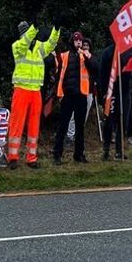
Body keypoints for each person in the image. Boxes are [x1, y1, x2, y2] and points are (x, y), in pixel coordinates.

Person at [8, 22, 60, 169]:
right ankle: (13, 157)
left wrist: (56, 30)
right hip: (21, 90)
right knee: (16, 124)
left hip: (36, 91)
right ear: (22, 35)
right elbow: (26, 41)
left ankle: (31, 158)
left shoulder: (38, 47)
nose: (28, 35)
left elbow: (51, 44)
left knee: (34, 125)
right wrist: (34, 28)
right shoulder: (18, 46)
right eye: (26, 33)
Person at [53, 31, 98, 164]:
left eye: (80, 41)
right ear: (72, 42)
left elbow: (95, 68)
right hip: (67, 95)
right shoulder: (65, 55)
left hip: (81, 95)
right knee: (63, 126)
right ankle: (57, 154)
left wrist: (87, 56)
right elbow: (58, 75)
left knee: (80, 127)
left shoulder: (85, 55)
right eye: (76, 40)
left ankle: (79, 154)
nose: (78, 42)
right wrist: (59, 94)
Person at [99, 41, 131, 161]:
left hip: (124, 91)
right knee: (109, 121)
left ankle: (119, 150)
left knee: (123, 121)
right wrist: (104, 93)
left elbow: (131, 70)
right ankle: (106, 150)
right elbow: (102, 74)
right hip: (111, 92)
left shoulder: (127, 51)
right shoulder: (107, 52)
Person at [66, 37, 96, 145]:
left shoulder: (92, 58)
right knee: (73, 115)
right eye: (84, 45)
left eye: (87, 46)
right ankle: (70, 136)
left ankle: (78, 136)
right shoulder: (77, 57)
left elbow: (95, 69)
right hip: (78, 91)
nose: (85, 47)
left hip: (89, 91)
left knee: (84, 116)